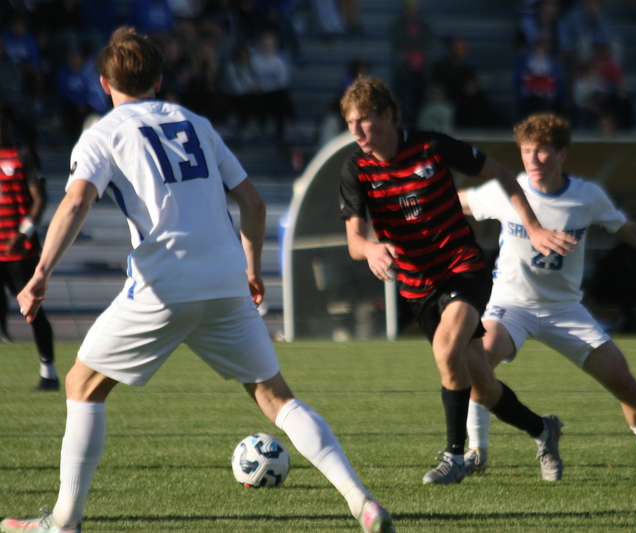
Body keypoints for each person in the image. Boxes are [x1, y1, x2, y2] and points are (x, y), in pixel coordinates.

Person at [0, 28, 394, 533]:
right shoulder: (196, 122)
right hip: (226, 278)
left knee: (81, 384)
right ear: (160, 79)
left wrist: (39, 275)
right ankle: (361, 501)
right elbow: (251, 202)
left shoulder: (103, 133)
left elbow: (76, 201)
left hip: (164, 281)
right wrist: (252, 268)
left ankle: (64, 522)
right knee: (276, 397)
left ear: (104, 83)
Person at [458, 112, 636, 479]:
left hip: (565, 309)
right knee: (478, 362)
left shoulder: (586, 197)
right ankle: (477, 452)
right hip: (511, 305)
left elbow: (630, 230)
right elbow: (455, 202)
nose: (533, 160)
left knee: (622, 380)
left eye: (542, 152)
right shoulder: (505, 190)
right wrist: (400, 209)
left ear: (563, 154)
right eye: (526, 151)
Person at [339, 76, 576, 485]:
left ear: (389, 115)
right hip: (418, 288)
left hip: (462, 267)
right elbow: (355, 241)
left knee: (447, 351)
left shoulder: (431, 146)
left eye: (365, 120)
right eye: (350, 123)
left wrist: (534, 227)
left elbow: (502, 173)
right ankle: (543, 430)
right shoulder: (356, 169)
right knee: (481, 386)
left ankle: (454, 458)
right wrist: (372, 248)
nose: (357, 131)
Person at [0, 107, 58, 390]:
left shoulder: (23, 155)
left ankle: (49, 372)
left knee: (32, 309)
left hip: (19, 251)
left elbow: (39, 198)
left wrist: (23, 232)